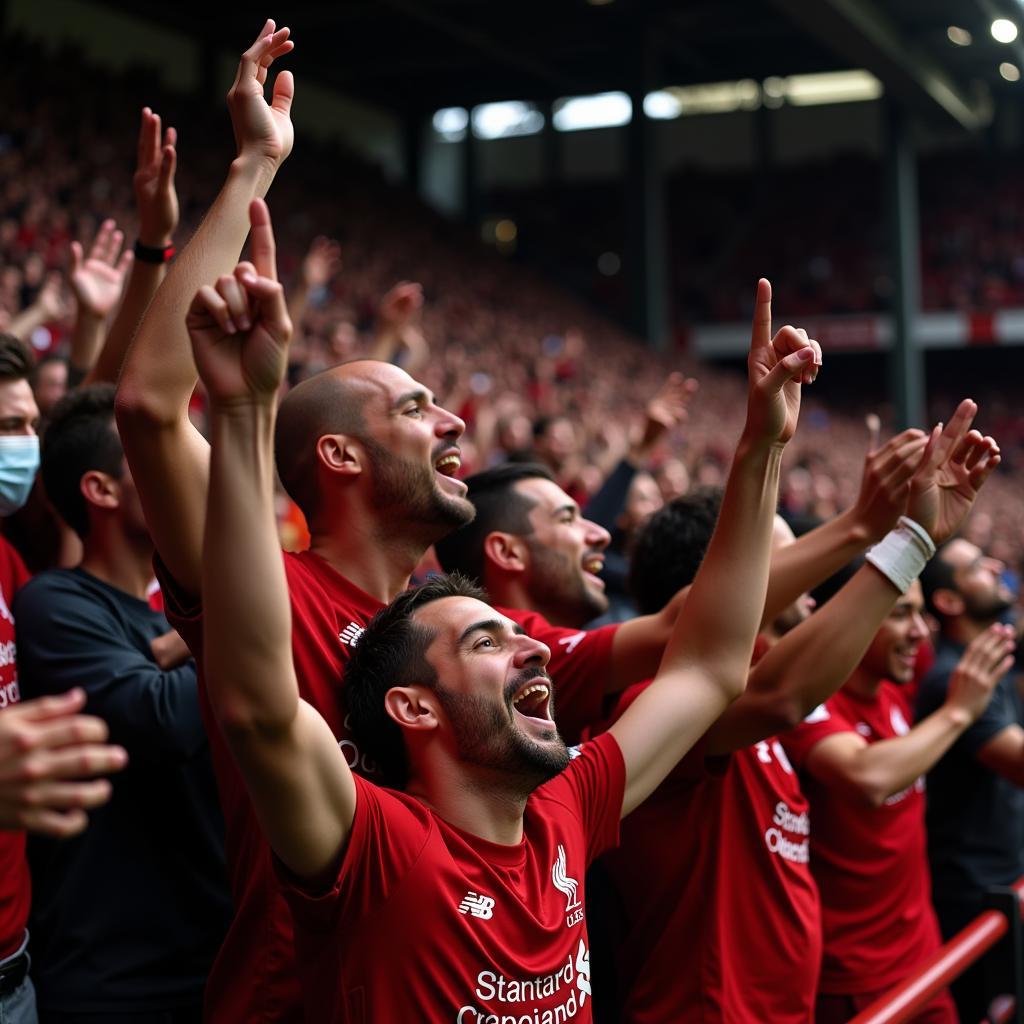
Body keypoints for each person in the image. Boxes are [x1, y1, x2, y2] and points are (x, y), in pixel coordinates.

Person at [188, 201, 815, 1017]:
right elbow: (260, 713)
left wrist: (761, 447)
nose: (536, 651)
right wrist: (241, 415)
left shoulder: (563, 811)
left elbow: (709, 664)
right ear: (411, 705)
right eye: (488, 640)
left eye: (518, 636)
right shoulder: (374, 849)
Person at [598, 399, 998, 1024]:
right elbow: (786, 700)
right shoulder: (652, 704)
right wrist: (907, 541)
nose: (807, 584)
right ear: (717, 582)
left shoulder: (765, 691)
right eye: (783, 560)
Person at [14, 384, 231, 1021]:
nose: (189, 469)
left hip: (216, 968)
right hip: (113, 984)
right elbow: (158, 719)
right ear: (101, 491)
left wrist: (192, 639)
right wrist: (233, 628)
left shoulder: (179, 613)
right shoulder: (55, 604)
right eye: (158, 457)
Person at [783, 581, 1014, 1023]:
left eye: (920, 614)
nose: (919, 632)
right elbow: (869, 777)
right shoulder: (804, 703)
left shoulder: (893, 687)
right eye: (898, 613)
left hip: (925, 959)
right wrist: (958, 713)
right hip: (857, 979)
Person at [0, 335, 127, 1024]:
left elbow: (90, 431)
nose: (27, 447)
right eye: (10, 428)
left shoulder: (8, 563)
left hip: (17, 971)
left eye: (28, 426)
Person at [917, 538, 1024, 1020]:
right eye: (979, 566)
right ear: (949, 601)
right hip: (974, 896)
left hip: (1003, 880)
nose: (998, 566)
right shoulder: (952, 678)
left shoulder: (990, 659)